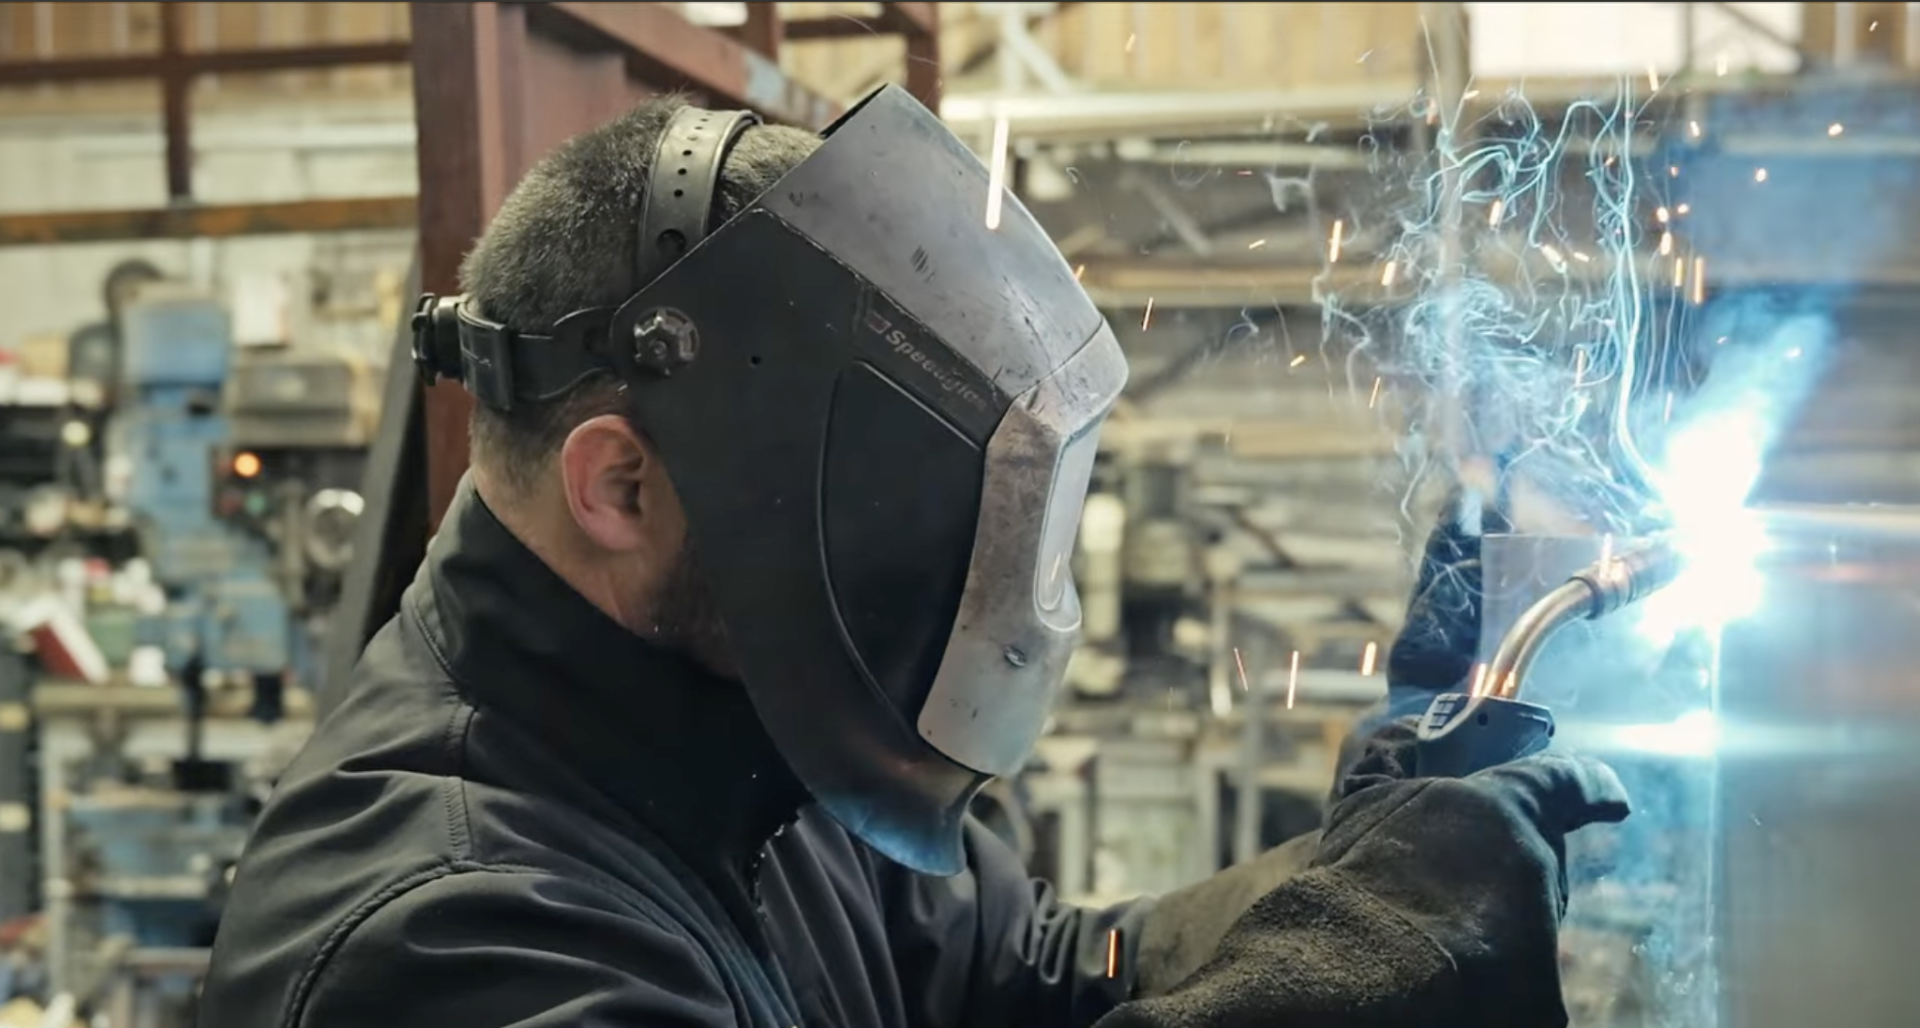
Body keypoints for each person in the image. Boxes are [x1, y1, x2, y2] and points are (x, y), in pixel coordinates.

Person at [199, 87, 1628, 1028]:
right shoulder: (451, 944)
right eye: (872, 512)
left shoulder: (756, 738)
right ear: (621, 485)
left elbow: (1051, 976)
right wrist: (1323, 988)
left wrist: (1355, 891)